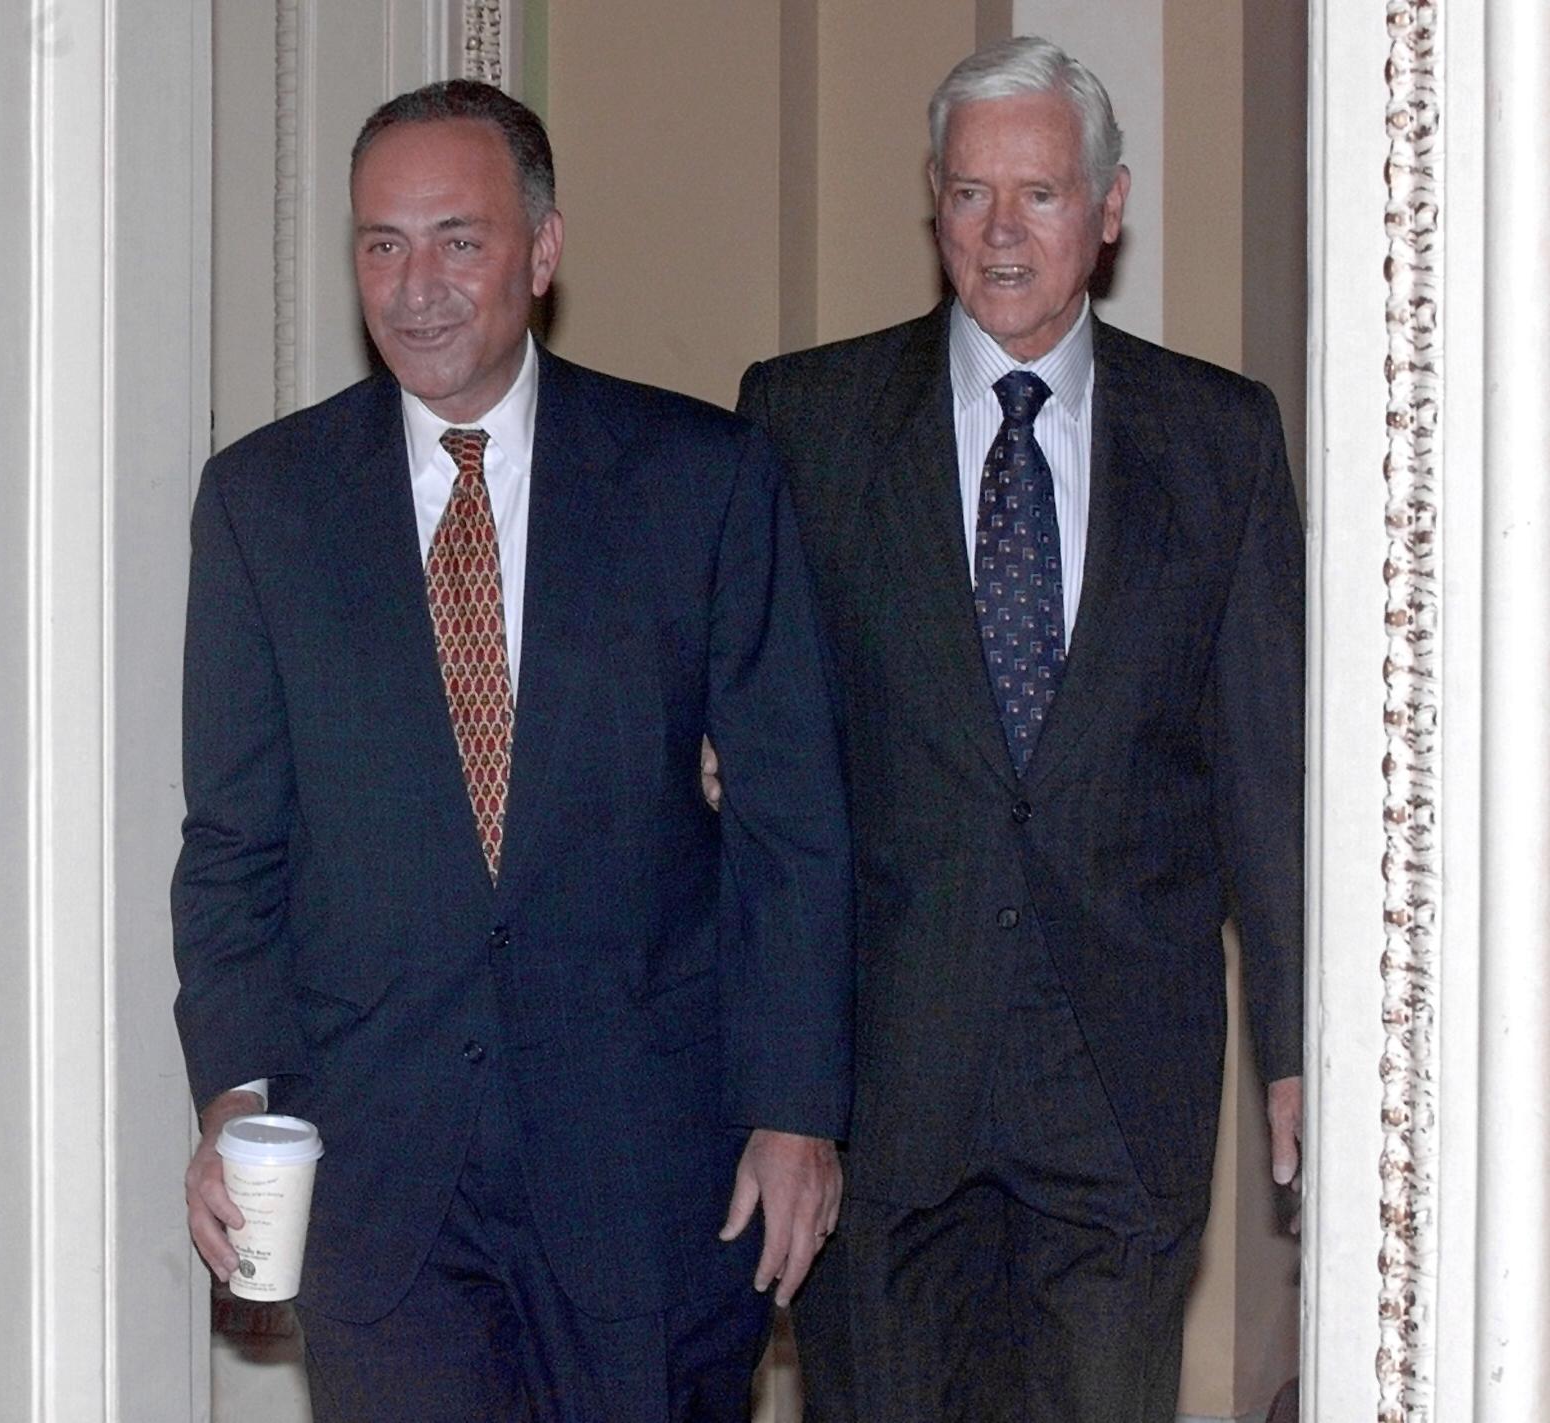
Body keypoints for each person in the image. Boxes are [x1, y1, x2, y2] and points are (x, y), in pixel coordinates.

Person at [171, 79, 853, 1422]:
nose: (415, 286)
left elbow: (792, 822)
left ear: (541, 251)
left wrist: (798, 1111)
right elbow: (235, 844)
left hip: (652, 1180)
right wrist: (231, 1104)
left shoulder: (701, 480)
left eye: (457, 239)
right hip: (383, 1184)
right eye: (382, 243)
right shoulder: (264, 506)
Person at [732, 36, 1305, 1421]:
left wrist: (1301, 1048)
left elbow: (1270, 782)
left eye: (1039, 195)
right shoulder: (804, 423)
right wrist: (781, 1094)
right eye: (971, 193)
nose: (1002, 231)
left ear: (1108, 210)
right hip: (884, 1089)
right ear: (933, 204)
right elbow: (773, 791)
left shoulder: (1220, 441)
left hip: (1121, 1083)